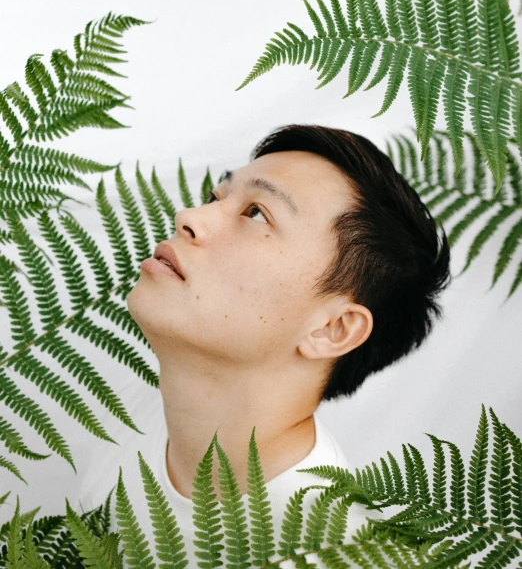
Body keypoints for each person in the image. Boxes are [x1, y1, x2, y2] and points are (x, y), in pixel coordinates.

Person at [75, 123, 451, 566]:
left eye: (256, 213)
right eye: (218, 198)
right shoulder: (127, 421)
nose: (190, 217)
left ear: (333, 329)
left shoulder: (340, 552)